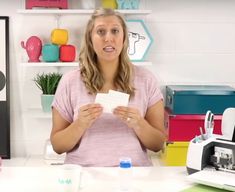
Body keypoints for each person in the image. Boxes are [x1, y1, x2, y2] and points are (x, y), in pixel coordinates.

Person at [50, 7, 166, 167]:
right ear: (90, 39)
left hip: (134, 175)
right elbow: (57, 146)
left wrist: (139, 123)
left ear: (124, 38)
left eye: (115, 31)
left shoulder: (146, 80)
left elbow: (158, 144)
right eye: (101, 31)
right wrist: (80, 124)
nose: (108, 38)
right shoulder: (70, 81)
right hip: (83, 175)